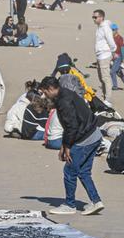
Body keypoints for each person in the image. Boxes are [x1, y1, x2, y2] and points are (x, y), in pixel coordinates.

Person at [42, 76, 104, 216]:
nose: (44, 95)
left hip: (85, 138)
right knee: (83, 171)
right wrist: (64, 145)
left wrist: (67, 147)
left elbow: (72, 126)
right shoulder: (66, 94)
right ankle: (96, 201)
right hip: (95, 134)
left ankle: (70, 205)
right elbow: (68, 125)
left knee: (69, 171)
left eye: (45, 92)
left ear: (51, 89)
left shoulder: (63, 101)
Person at [92, 8, 115, 100]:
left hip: (105, 55)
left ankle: (108, 99)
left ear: (101, 17)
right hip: (99, 55)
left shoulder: (105, 28)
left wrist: (112, 51)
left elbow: (111, 41)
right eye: (92, 17)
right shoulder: (99, 27)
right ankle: (105, 95)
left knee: (106, 78)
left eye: (95, 17)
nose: (93, 19)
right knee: (101, 77)